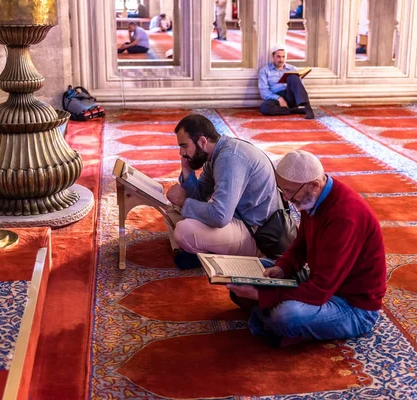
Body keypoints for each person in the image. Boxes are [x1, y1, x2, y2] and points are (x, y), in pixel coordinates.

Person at [227, 150, 386, 347]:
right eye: (282, 191)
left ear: (314, 185)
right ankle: (273, 322)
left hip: (352, 306)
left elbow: (321, 290)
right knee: (245, 275)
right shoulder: (312, 199)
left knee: (287, 316)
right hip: (320, 281)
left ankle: (274, 323)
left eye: (289, 193)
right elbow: (300, 246)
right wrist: (282, 268)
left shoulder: (344, 217)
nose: (286, 197)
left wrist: (262, 296)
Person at [165, 115, 280, 269]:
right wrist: (187, 172)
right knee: (170, 208)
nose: (181, 152)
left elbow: (220, 216)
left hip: (255, 233)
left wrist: (183, 202)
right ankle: (203, 250)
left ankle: (205, 253)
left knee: (183, 230)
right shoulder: (215, 154)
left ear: (202, 142)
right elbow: (200, 198)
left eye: (184, 146)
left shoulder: (229, 158)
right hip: (236, 220)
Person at [259, 44, 314, 119]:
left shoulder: (292, 69)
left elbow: (300, 87)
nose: (281, 60)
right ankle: (294, 110)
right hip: (276, 98)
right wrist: (279, 98)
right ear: (273, 56)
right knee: (264, 108)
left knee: (292, 77)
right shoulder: (264, 71)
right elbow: (264, 92)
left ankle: (308, 108)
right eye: (278, 57)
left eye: (283, 57)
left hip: (290, 95)